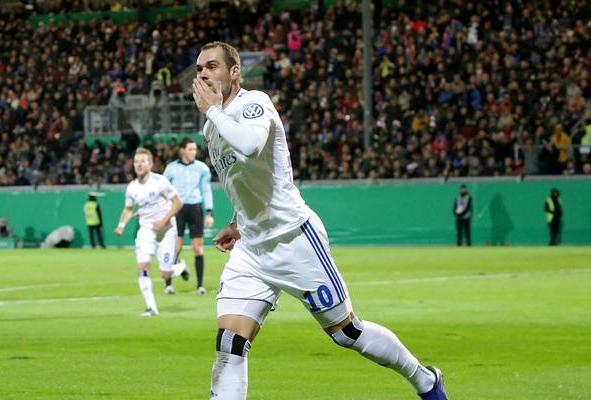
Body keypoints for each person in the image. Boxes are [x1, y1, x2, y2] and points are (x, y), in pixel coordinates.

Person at [191, 41, 448, 400]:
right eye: (199, 68)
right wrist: (236, 222)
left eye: (212, 66)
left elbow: (250, 146)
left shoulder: (254, 104)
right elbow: (243, 178)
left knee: (348, 333)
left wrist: (214, 112)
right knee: (230, 343)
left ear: (234, 72)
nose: (203, 73)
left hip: (293, 238)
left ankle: (425, 380)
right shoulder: (211, 127)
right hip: (251, 249)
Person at [114, 147, 183, 316]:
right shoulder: (132, 188)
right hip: (146, 231)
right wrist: (121, 225)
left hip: (166, 231)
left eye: (142, 161)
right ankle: (151, 308)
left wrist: (163, 220)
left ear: (150, 164)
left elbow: (177, 203)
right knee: (143, 266)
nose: (138, 164)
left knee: (165, 273)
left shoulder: (160, 182)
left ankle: (179, 267)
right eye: (136, 161)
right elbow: (129, 209)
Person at [163, 138, 215, 295]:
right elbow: (163, 190)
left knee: (197, 247)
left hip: (195, 208)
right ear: (182, 150)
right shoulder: (171, 168)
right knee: (175, 247)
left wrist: (209, 213)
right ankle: (168, 285)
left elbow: (206, 190)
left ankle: (200, 286)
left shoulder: (202, 168)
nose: (194, 152)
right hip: (177, 209)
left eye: (194, 149)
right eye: (190, 149)